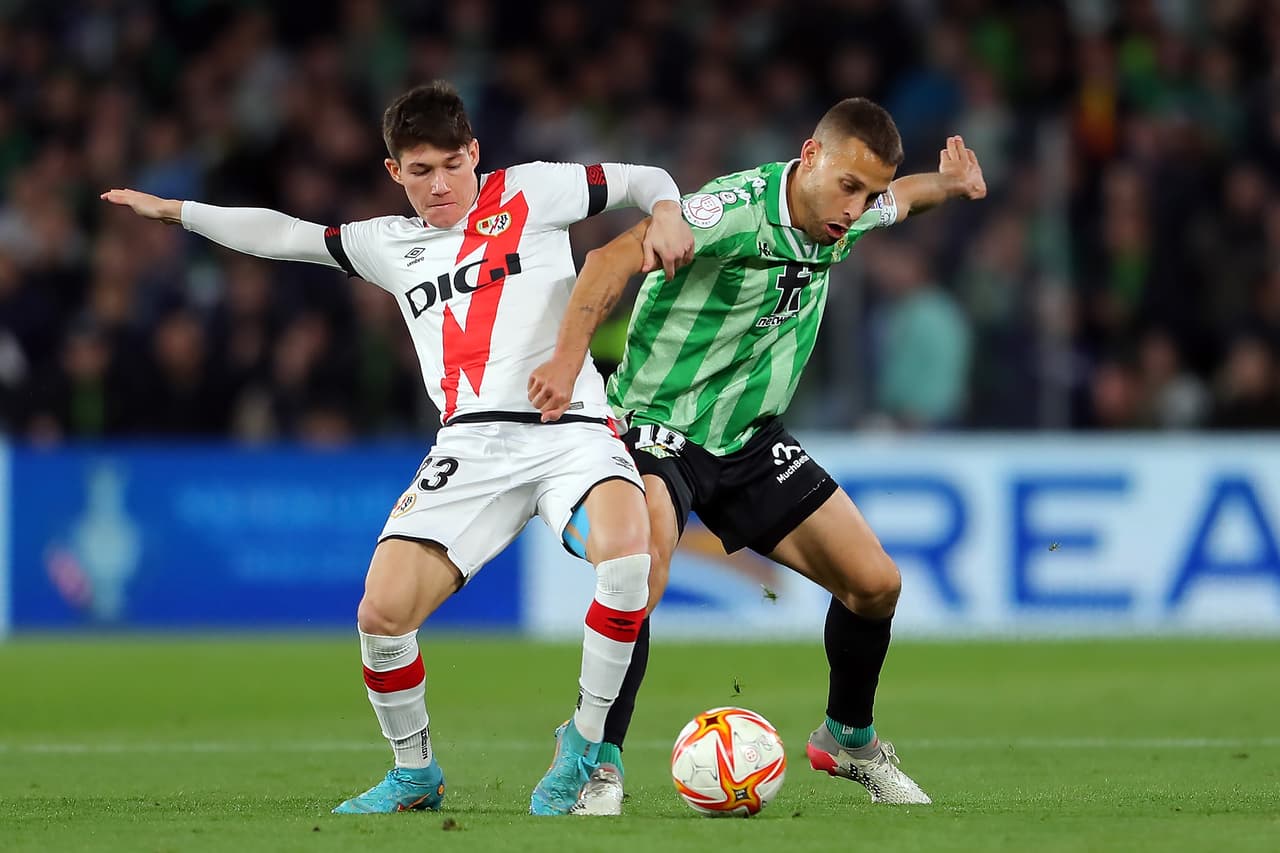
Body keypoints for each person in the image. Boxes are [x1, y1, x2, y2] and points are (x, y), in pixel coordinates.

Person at [104, 80, 695, 816]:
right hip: (470, 447)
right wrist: (174, 211)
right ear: (394, 173)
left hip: (570, 428)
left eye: (453, 164)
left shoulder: (533, 191)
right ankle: (415, 772)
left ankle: (583, 743)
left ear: (474, 152)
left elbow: (643, 179)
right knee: (381, 614)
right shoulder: (388, 243)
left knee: (629, 550)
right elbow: (283, 234)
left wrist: (666, 212)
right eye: (420, 172)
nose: (440, 185)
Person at [529, 97, 987, 813]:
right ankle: (597, 757)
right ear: (810, 155)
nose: (856, 207)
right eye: (847, 187)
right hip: (659, 425)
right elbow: (608, 259)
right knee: (638, 572)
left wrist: (950, 184)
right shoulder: (730, 212)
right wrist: (565, 363)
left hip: (749, 438)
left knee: (876, 584)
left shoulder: (850, 208)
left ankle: (848, 737)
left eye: (866, 192)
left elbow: (902, 198)